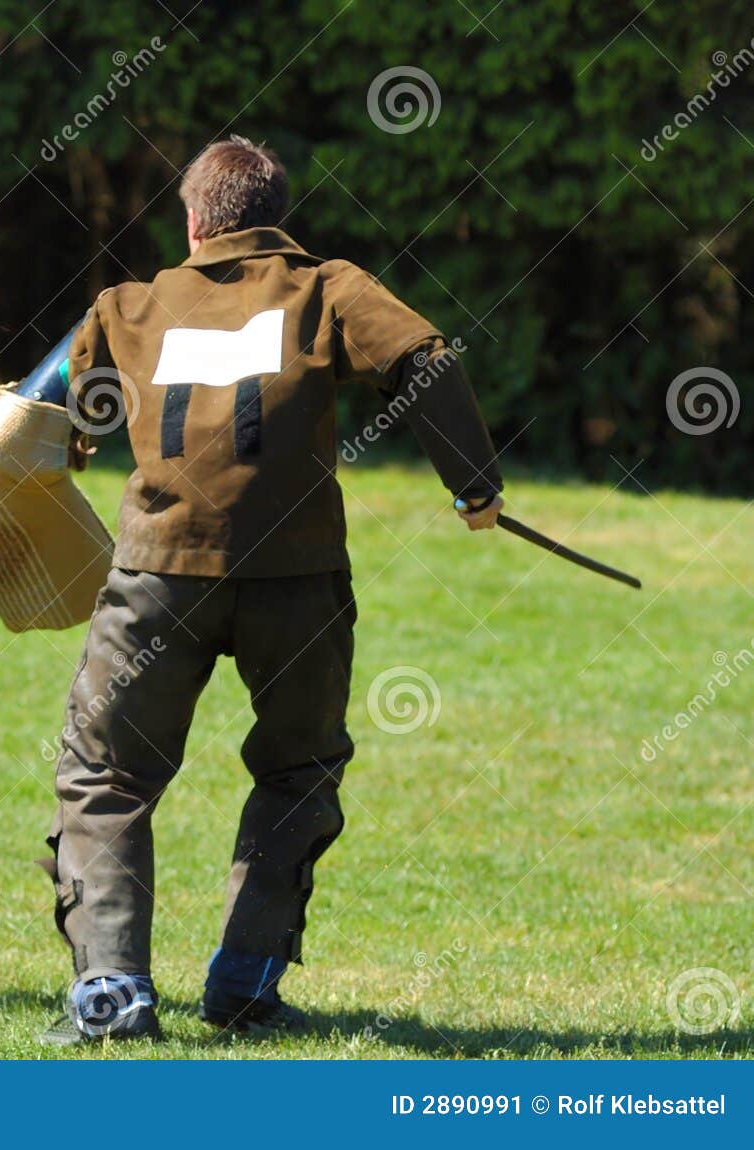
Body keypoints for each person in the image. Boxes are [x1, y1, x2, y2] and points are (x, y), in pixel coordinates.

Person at [39, 135, 504, 1045]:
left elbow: (40, 418)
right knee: (297, 773)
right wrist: (474, 484)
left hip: (158, 578)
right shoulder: (327, 287)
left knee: (106, 775)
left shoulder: (126, 306)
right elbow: (425, 358)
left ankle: (113, 996)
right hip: (298, 578)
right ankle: (246, 988)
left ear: (194, 221)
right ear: (275, 217)